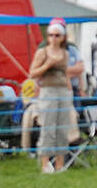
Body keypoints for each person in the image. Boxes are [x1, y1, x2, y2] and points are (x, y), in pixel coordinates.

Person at [29, 18, 76, 173]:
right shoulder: (42, 52)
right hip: (48, 90)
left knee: (62, 128)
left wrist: (70, 92)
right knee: (48, 127)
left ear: (63, 37)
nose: (54, 38)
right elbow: (33, 73)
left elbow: (66, 75)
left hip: (63, 91)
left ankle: (60, 164)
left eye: (57, 35)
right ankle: (45, 164)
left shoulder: (66, 54)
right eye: (51, 35)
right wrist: (48, 64)